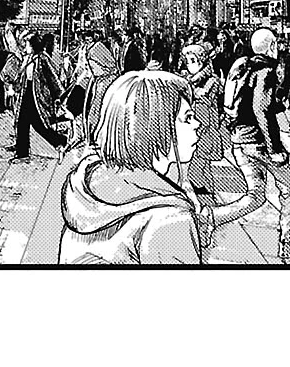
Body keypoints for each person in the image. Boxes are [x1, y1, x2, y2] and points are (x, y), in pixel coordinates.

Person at [59, 70, 203, 265]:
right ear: (155, 127)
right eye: (188, 117)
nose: (197, 124)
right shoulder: (170, 218)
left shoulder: (86, 189)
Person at [212, 26, 290, 264]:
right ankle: (289, 245)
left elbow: (241, 103)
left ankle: (208, 219)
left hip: (239, 140)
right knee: (288, 191)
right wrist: (275, 149)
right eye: (276, 44)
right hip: (259, 143)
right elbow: (260, 109)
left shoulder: (243, 67)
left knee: (255, 197)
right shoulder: (266, 71)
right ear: (271, 47)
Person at [180, 42, 228, 241]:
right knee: (200, 174)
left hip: (205, 133)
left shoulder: (211, 81)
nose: (190, 64)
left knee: (197, 176)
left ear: (202, 61)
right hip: (194, 133)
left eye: (193, 60)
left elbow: (203, 98)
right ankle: (207, 215)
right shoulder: (189, 80)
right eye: (188, 61)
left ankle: (205, 219)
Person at [14, 32, 67, 161]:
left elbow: (52, 78)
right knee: (22, 122)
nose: (25, 47)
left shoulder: (42, 58)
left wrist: (59, 95)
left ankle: (60, 141)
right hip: (27, 93)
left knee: (39, 125)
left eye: (27, 44)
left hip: (39, 96)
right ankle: (22, 153)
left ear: (33, 46)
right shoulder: (28, 58)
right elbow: (22, 76)